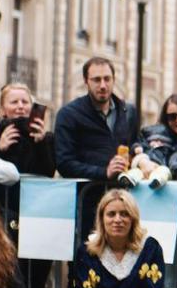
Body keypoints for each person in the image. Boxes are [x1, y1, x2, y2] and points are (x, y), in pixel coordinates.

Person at [0, 83, 57, 288]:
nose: (20, 107)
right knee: (6, 279)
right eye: (14, 102)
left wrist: (40, 143)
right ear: (2, 109)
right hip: (2, 216)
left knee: (36, 282)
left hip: (37, 216)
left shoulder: (47, 138)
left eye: (24, 102)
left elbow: (49, 170)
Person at [53, 57, 141, 230]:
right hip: (87, 204)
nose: (102, 85)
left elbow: (133, 143)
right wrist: (104, 172)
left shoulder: (128, 112)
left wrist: (139, 155)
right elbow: (64, 163)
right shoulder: (69, 114)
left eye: (107, 79)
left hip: (124, 203)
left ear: (114, 80)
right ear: (86, 81)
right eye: (96, 80)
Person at [128, 94, 177, 187]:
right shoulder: (155, 135)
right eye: (172, 116)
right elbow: (136, 148)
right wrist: (141, 161)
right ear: (166, 119)